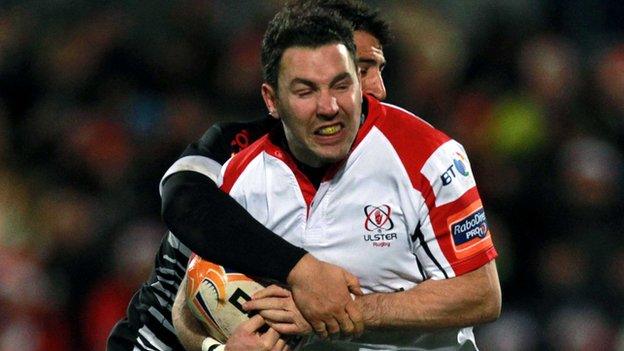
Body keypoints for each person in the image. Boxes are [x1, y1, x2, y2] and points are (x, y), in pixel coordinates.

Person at [175, 2, 501, 350]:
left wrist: (345, 311)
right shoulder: (242, 175)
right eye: (306, 91)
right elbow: (188, 298)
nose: (329, 106)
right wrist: (220, 350)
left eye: (341, 85)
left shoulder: (428, 156)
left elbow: (481, 294)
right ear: (272, 100)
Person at [106, 1, 391, 350]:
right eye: (360, 71)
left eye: (377, 69)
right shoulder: (238, 153)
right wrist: (299, 268)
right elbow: (182, 198)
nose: (376, 89)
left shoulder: (393, 176)